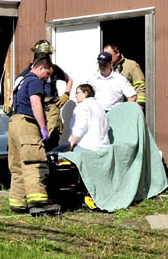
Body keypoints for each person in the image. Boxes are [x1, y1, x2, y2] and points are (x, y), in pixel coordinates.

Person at [7, 57, 61, 216]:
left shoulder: (21, 81)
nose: (47, 78)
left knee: (17, 165)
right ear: (42, 68)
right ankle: (38, 203)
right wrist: (43, 127)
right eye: (48, 74)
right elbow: (35, 103)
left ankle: (18, 202)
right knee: (34, 162)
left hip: (14, 124)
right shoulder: (34, 81)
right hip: (27, 124)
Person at [16, 40, 73, 151]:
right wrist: (10, 100)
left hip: (52, 107)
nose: (43, 57)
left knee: (52, 138)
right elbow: (17, 85)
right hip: (37, 107)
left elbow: (69, 80)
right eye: (41, 55)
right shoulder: (29, 71)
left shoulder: (54, 69)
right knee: (38, 137)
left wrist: (66, 94)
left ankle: (51, 158)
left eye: (46, 55)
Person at [65, 84, 109, 152]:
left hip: (86, 146)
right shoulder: (99, 107)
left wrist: (70, 145)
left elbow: (79, 127)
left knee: (54, 155)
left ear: (86, 93)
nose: (75, 95)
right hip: (102, 146)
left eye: (77, 93)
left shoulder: (82, 106)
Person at [103, 44, 146, 110]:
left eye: (109, 55)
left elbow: (140, 86)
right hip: (110, 108)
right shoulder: (104, 67)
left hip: (127, 106)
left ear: (117, 53)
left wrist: (140, 105)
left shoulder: (131, 65)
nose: (107, 58)